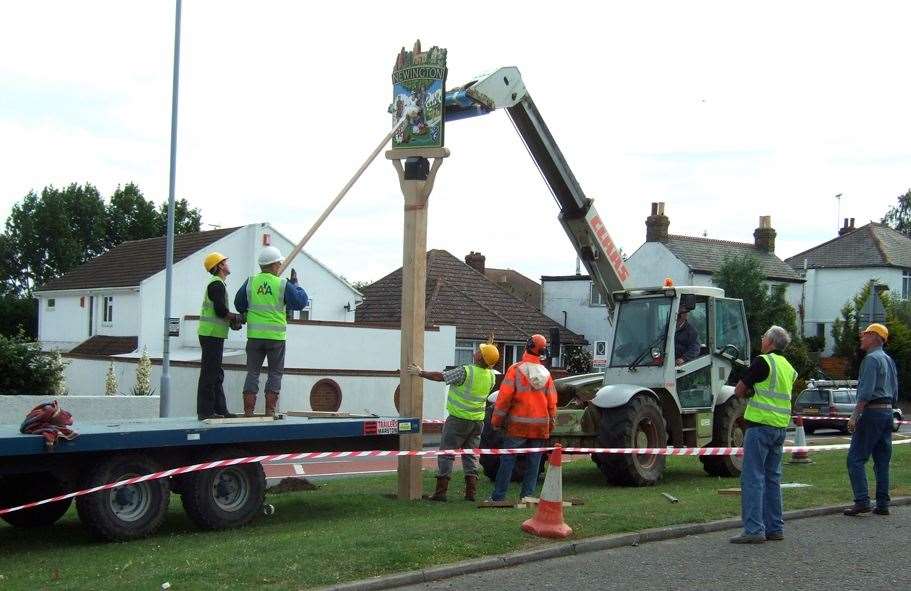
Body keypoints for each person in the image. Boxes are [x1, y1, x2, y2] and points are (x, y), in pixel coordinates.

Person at [407, 342, 500, 502]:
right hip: (477, 421)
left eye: (479, 350)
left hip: (458, 420)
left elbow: (440, 376)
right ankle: (471, 493)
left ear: (480, 357)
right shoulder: (491, 376)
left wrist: (420, 373)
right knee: (470, 455)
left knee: (446, 453)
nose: (477, 351)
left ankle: (440, 492)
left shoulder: (466, 371)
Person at [729, 325, 797, 544]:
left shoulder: (763, 361)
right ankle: (775, 527)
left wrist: (749, 390)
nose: (761, 340)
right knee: (772, 478)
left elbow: (739, 390)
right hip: (780, 428)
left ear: (769, 341)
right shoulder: (788, 367)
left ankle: (753, 529)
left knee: (752, 478)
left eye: (763, 336)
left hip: (759, 427)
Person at [234, 246, 309, 417]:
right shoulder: (282, 284)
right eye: (279, 263)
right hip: (275, 338)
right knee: (275, 373)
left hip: (254, 337)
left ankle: (248, 412)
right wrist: (295, 285)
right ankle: (270, 411)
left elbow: (239, 304)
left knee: (252, 373)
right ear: (275, 265)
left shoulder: (251, 282)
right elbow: (300, 302)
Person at [488, 334, 558, 503]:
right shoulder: (546, 374)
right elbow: (552, 402)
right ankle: (527, 496)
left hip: (517, 425)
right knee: (534, 462)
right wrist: (551, 423)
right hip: (539, 426)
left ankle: (498, 496)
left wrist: (496, 421)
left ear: (528, 346)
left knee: (507, 460)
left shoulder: (516, 369)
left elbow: (504, 399)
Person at [844, 323, 898, 516]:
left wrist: (854, 416)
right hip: (887, 412)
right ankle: (882, 504)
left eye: (865, 335)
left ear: (875, 337)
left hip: (872, 412)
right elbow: (895, 391)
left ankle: (862, 500)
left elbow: (865, 393)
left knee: (855, 459)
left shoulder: (871, 360)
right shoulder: (888, 360)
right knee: (882, 460)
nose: (862, 338)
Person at [196, 252, 243, 421]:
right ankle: (205, 412)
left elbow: (220, 311)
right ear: (220, 266)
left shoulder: (218, 284)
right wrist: (236, 318)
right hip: (211, 335)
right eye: (225, 261)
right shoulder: (216, 285)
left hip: (212, 334)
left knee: (215, 373)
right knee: (210, 374)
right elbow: (220, 310)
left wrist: (231, 321)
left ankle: (221, 410)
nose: (227, 264)